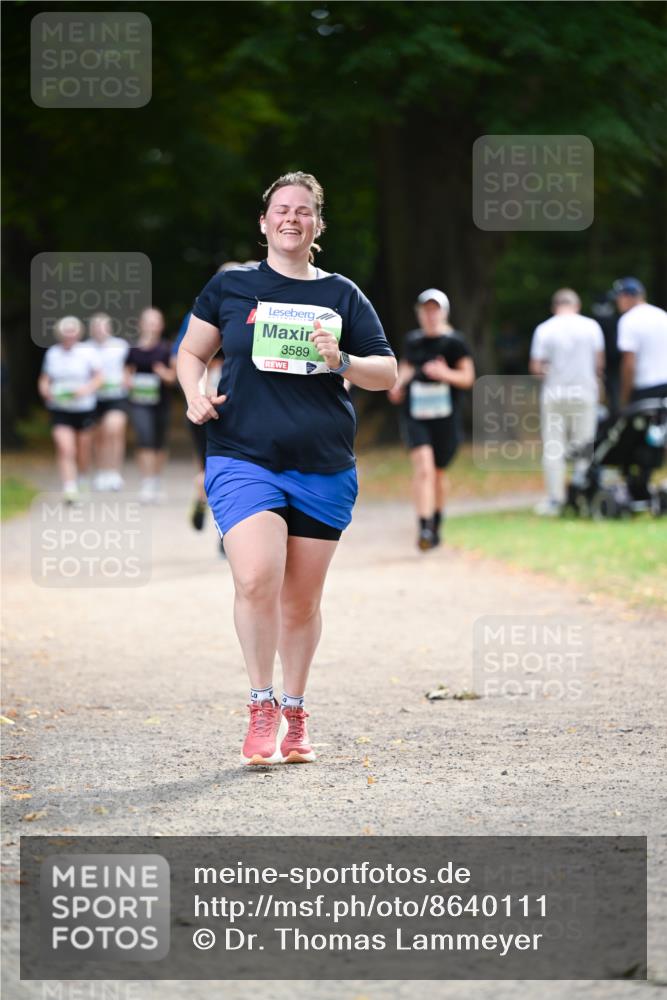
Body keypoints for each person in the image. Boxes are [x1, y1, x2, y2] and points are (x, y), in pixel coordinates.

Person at [176, 171, 396, 766]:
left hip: (322, 465)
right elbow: (192, 353)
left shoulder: (342, 295)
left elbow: (386, 372)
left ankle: (295, 710)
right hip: (242, 455)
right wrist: (194, 393)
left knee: (300, 602)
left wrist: (344, 359)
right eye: (281, 209)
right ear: (264, 221)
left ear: (317, 225)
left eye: (304, 211)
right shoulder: (232, 288)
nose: (291, 218)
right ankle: (260, 703)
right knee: (255, 577)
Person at [388, 289, 475, 550]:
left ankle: (436, 521)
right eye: (426, 310)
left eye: (435, 309)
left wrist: (444, 373)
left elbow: (467, 378)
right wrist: (397, 385)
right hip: (416, 415)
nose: (431, 315)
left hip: (445, 418)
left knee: (437, 472)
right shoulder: (413, 341)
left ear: (444, 313)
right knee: (423, 468)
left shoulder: (455, 343)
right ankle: (424, 527)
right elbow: (406, 367)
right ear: (419, 314)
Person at [529, 288, 605, 515]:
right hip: (584, 394)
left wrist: (550, 371)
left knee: (554, 448)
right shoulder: (591, 327)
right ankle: (582, 495)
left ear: (555, 307)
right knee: (584, 446)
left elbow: (536, 368)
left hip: (554, 395)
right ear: (577, 305)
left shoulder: (545, 329)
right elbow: (599, 364)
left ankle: (556, 499)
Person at [37, 315, 103, 502]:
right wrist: (45, 390)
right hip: (60, 407)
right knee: (66, 448)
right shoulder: (52, 353)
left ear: (78, 333)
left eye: (72, 331)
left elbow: (99, 377)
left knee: (83, 450)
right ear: (59, 334)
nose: (69, 335)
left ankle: (82, 478)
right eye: (66, 332)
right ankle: (69, 487)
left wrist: (85, 389)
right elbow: (44, 379)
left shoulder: (87, 352)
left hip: (84, 407)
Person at [125, 308, 176, 503]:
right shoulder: (133, 350)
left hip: (161, 401)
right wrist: (128, 380)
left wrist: (163, 373)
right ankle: (146, 482)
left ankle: (156, 480)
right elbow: (126, 372)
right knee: (144, 437)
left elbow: (173, 377)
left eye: (156, 321)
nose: (152, 325)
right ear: (141, 324)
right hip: (139, 402)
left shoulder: (166, 348)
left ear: (161, 325)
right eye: (149, 321)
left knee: (159, 442)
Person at [89, 312, 129, 491]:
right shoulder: (85, 348)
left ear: (110, 328)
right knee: (99, 436)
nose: (99, 330)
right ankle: (102, 472)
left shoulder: (121, 346)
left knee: (114, 430)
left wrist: (128, 379)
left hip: (117, 396)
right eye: (96, 327)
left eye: (103, 326)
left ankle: (114, 472)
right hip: (93, 398)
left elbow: (130, 367)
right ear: (91, 330)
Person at [613, 277, 667, 405]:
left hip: (645, 388)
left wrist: (624, 397)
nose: (617, 301)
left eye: (618, 297)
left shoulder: (628, 320)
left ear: (628, 296)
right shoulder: (662, 315)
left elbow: (629, 363)